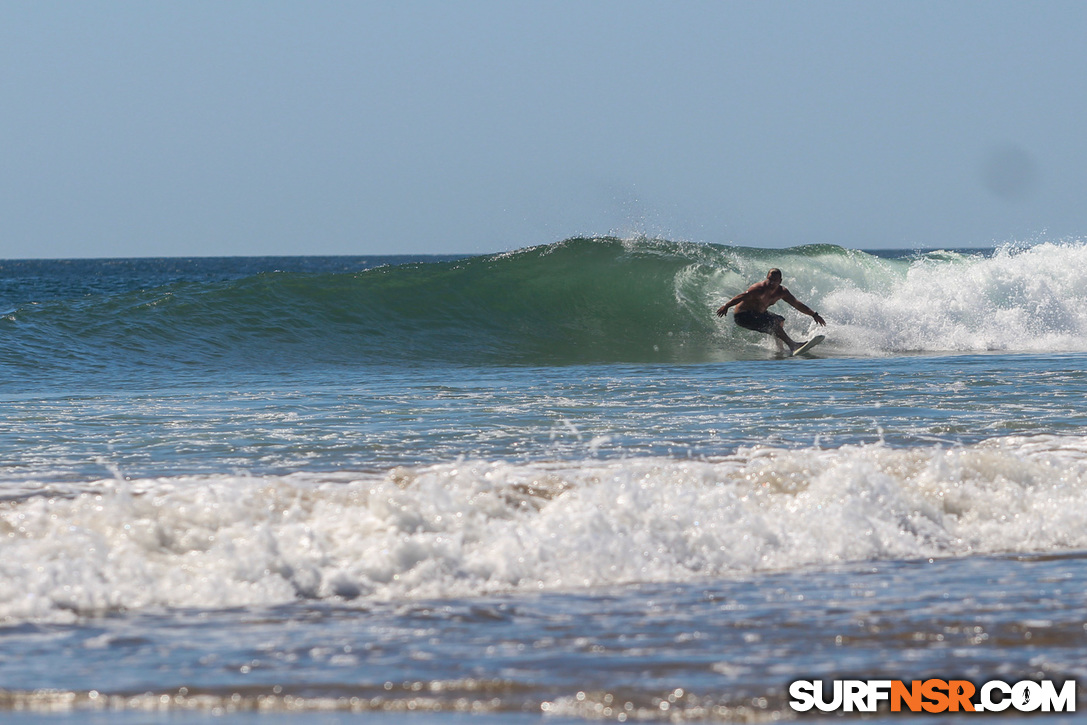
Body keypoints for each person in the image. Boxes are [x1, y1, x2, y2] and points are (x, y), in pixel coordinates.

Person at [716, 268, 825, 353]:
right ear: (767, 278)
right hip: (743, 316)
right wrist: (726, 306)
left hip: (758, 314)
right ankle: (793, 345)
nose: (771, 283)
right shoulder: (758, 289)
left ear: (780, 281)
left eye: (775, 280)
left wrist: (814, 314)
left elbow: (796, 304)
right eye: (770, 279)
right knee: (773, 324)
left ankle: (780, 349)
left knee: (779, 320)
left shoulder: (782, 292)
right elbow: (741, 296)